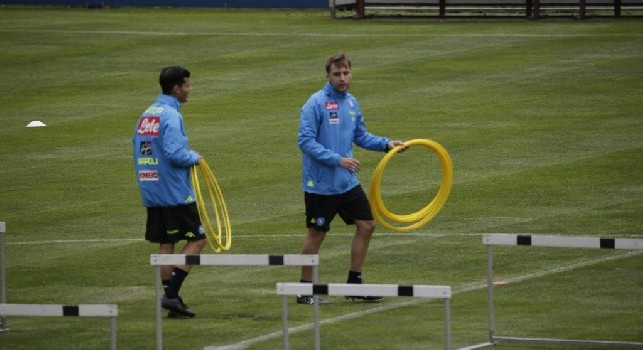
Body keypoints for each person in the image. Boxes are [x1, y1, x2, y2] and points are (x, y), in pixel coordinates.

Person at [296, 53, 406, 305]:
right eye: (337, 74)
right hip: (321, 184)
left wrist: (387, 144)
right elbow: (305, 141)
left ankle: (354, 284)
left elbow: (361, 136)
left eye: (346, 73)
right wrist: (338, 159)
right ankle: (304, 291)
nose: (343, 78)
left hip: (346, 182)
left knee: (367, 225)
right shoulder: (315, 103)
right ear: (328, 76)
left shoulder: (351, 103)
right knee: (317, 234)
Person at [132, 66, 206, 318]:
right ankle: (172, 294)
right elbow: (176, 154)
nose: (190, 89)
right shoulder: (172, 116)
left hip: (151, 187)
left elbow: (138, 146)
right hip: (173, 191)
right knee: (198, 239)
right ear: (176, 88)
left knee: (167, 241)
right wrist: (194, 157)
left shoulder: (147, 113)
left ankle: (171, 298)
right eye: (187, 84)